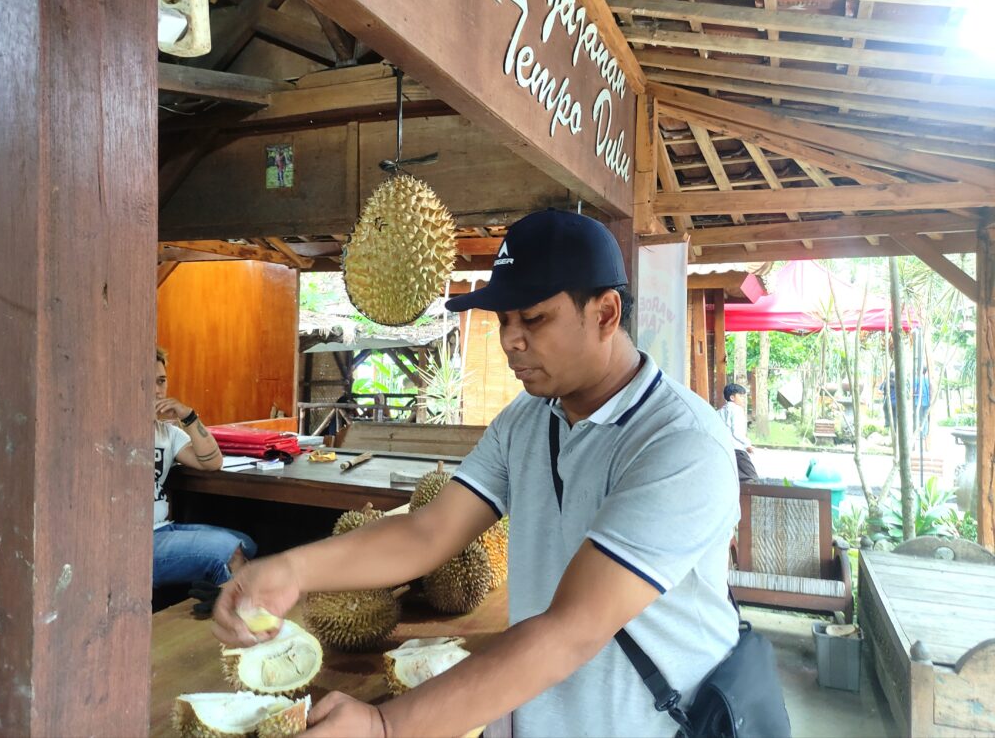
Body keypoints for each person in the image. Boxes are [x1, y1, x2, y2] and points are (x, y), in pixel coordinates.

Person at [212, 209, 740, 737]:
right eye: (502, 319)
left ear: (605, 314)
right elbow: (429, 532)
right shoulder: (528, 420)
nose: (511, 340)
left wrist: (384, 727)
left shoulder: (680, 444)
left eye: (533, 319)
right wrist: (290, 572)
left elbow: (571, 630)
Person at [154, 347, 256, 595]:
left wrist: (188, 416)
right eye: (145, 382)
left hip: (161, 529)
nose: (157, 390)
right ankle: (244, 619)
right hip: (132, 543)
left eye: (161, 381)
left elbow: (211, 462)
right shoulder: (110, 429)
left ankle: (220, 609)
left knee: (245, 543)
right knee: (230, 551)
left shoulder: (167, 433)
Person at [718, 383, 758, 482]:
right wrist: (747, 444)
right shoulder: (737, 410)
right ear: (732, 397)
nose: (743, 399)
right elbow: (737, 432)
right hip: (737, 450)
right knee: (751, 479)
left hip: (724, 450)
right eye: (740, 396)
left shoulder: (719, 412)